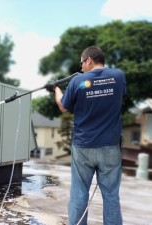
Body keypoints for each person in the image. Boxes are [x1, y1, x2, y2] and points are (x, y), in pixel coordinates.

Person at [47, 46, 126, 225]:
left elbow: (63, 105)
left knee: (79, 194)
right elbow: (116, 96)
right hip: (110, 146)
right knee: (111, 196)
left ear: (89, 60)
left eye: (82, 62)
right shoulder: (119, 76)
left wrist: (56, 89)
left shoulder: (78, 81)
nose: (81, 66)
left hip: (83, 147)